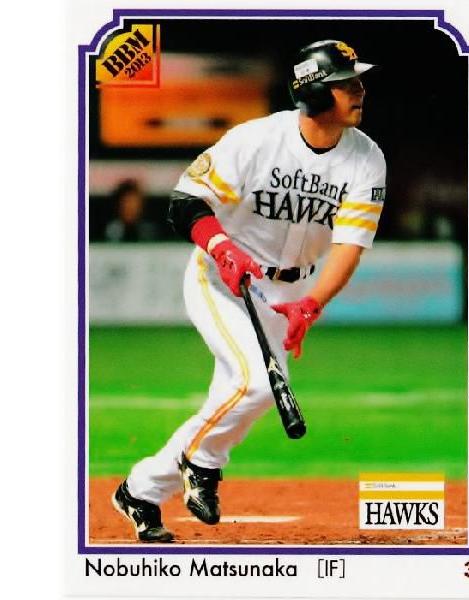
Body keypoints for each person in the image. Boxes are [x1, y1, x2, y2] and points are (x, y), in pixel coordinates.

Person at [112, 40, 387, 542]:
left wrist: (312, 303)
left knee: (238, 398)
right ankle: (203, 464)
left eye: (357, 81)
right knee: (256, 385)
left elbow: (350, 243)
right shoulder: (258, 139)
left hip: (288, 291)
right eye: (346, 83)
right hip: (222, 279)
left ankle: (141, 490)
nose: (359, 90)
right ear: (314, 92)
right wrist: (221, 248)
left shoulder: (366, 158)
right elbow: (185, 202)